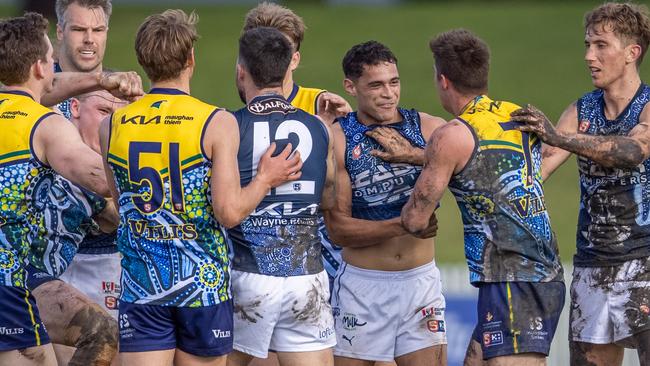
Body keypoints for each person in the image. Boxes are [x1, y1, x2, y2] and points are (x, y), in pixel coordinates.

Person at [98, 10, 300, 365]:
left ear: (143, 61)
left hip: (142, 287)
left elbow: (121, 201)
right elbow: (230, 212)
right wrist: (266, 178)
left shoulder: (112, 125)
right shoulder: (216, 121)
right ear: (191, 58)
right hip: (201, 288)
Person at [400, 29, 565, 366]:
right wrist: (421, 155)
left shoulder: (450, 136)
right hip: (537, 273)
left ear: (443, 80)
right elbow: (523, 160)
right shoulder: (515, 116)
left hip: (512, 278)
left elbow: (415, 219)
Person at [511, 3, 650, 365]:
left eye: (601, 45)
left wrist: (559, 138)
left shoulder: (648, 106)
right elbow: (535, 173)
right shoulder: (581, 110)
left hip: (645, 263)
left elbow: (632, 151)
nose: (589, 56)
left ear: (632, 52)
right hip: (591, 266)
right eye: (587, 45)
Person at [323, 40, 447, 366]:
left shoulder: (429, 129)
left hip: (420, 283)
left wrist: (420, 156)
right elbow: (339, 230)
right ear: (351, 87)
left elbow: (480, 164)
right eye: (376, 85)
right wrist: (404, 224)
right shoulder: (338, 139)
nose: (389, 93)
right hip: (363, 287)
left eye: (394, 82)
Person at [0, 12, 110, 366]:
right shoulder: (45, 123)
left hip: (21, 280)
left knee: (100, 332)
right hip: (7, 280)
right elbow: (97, 178)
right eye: (51, 61)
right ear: (38, 68)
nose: (54, 68)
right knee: (103, 336)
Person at [223, 27, 336, 366]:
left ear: (242, 71)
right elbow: (328, 200)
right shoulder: (320, 128)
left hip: (248, 275)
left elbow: (220, 207)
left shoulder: (229, 125)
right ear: (288, 69)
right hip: (307, 278)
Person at [242, 2, 350, 293]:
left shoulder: (322, 106)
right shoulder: (238, 115)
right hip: (255, 258)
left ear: (295, 58)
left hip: (317, 258)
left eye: (280, 46)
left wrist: (351, 127)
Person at [25, 90, 127, 366]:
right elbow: (33, 85)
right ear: (75, 109)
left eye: (118, 116)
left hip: (40, 284)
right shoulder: (48, 136)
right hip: (17, 275)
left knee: (101, 336)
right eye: (104, 112)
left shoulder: (101, 186)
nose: (110, 124)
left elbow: (120, 218)